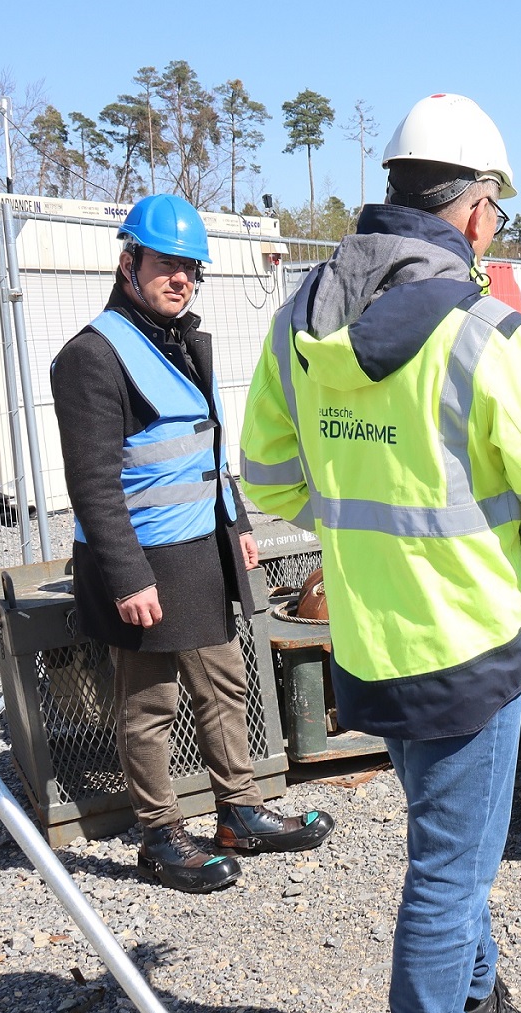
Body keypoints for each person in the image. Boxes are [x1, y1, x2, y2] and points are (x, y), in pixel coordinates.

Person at [240, 92, 521, 1013]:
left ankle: (481, 1011)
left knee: (454, 841)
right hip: (465, 646)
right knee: (450, 870)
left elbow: (267, 479)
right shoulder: (489, 335)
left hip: (369, 639)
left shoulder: (301, 318)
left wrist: (360, 510)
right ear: (478, 212)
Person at [50, 194, 333, 896]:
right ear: (128, 263)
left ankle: (238, 812)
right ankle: (159, 836)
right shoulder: (93, 357)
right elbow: (92, 485)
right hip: (142, 563)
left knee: (224, 681)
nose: (182, 280)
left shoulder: (178, 341)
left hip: (198, 552)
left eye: (191, 270)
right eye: (168, 265)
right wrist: (126, 577)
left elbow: (205, 452)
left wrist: (237, 530)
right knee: (148, 703)